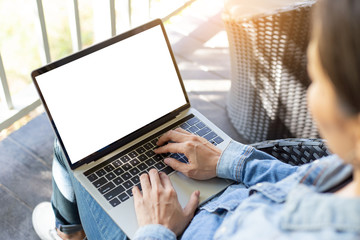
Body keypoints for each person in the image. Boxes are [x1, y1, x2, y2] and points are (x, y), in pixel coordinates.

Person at [32, 0, 360, 239]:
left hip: (171, 229)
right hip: (229, 192)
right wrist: (228, 160)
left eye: (316, 79)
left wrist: (157, 230)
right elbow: (294, 182)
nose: (309, 94)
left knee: (67, 147)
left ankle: (69, 234)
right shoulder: (347, 172)